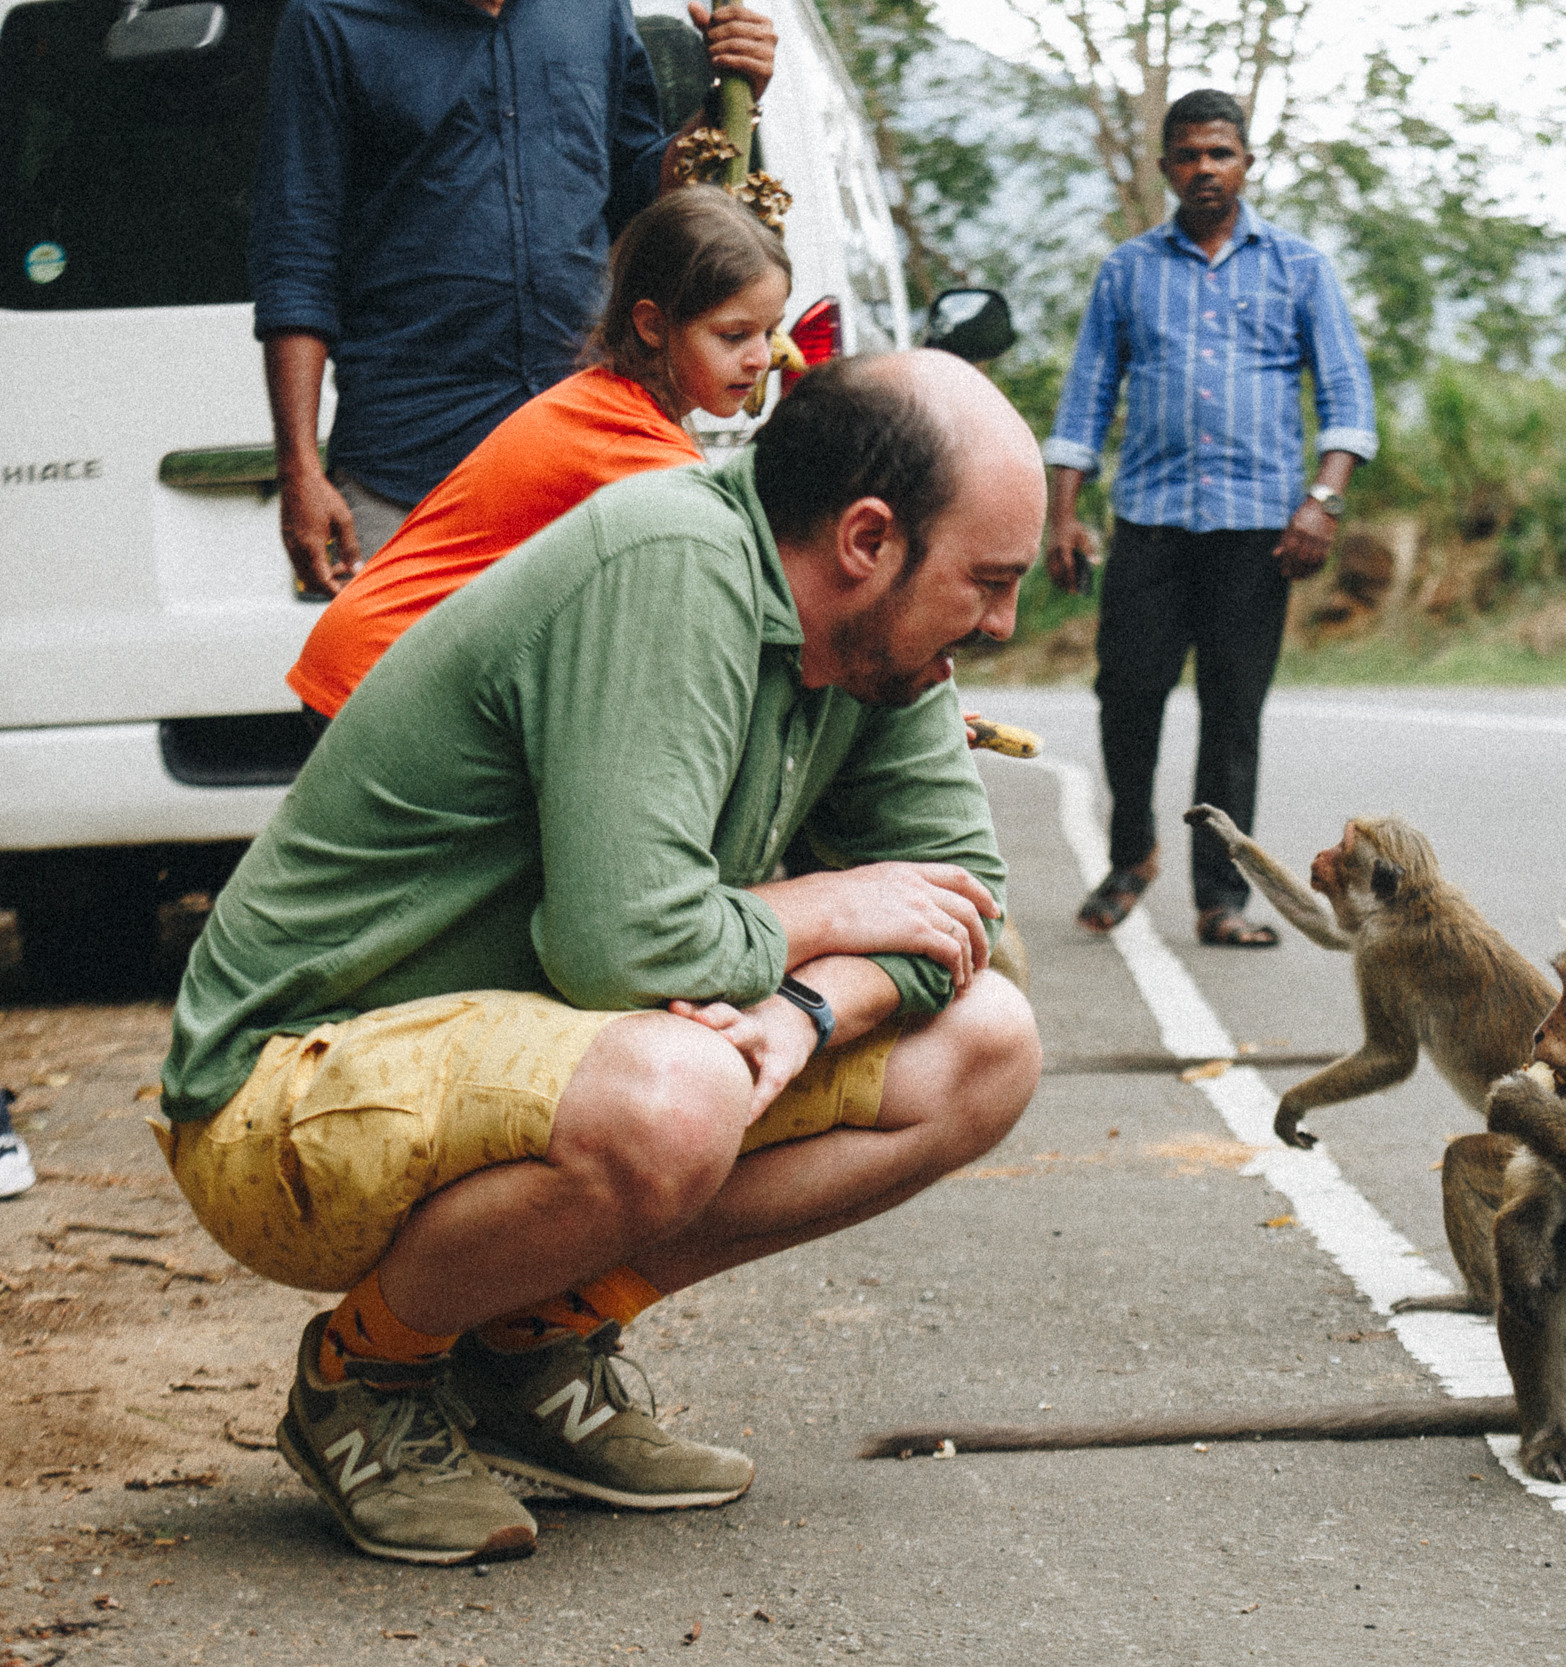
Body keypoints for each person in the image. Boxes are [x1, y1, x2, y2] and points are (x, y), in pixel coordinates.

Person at [154, 352, 1045, 1567]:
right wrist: (831, 901)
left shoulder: (882, 650)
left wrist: (806, 1008)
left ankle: (525, 1349)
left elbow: (965, 904)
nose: (1000, 626)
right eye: (987, 582)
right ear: (867, 539)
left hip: (533, 1063)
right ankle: (364, 1379)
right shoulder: (673, 564)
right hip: (292, 1086)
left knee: (986, 1042)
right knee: (678, 1091)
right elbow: (628, 945)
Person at [250, 0, 778, 598]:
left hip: (586, 456)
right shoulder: (328, 19)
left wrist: (727, 102)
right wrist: (298, 468)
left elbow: (640, 197)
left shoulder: (597, 10)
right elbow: (296, 251)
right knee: (391, 661)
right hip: (409, 469)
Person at [1042, 88, 1378, 947]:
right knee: (1126, 697)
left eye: (1220, 153)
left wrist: (1322, 502)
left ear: (1246, 164)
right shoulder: (1127, 271)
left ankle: (1222, 898)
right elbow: (1085, 401)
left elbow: (1347, 398)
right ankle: (1132, 855)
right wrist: (1062, 518)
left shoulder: (1300, 268)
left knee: (1232, 716)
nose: (1204, 169)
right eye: (1188, 154)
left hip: (1258, 531)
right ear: (1165, 168)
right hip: (1150, 523)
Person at [287, 186, 791, 720]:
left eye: (770, 332)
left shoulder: (603, 401)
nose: (761, 357)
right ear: (651, 326)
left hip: (375, 658)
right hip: (379, 672)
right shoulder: (638, 449)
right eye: (734, 336)